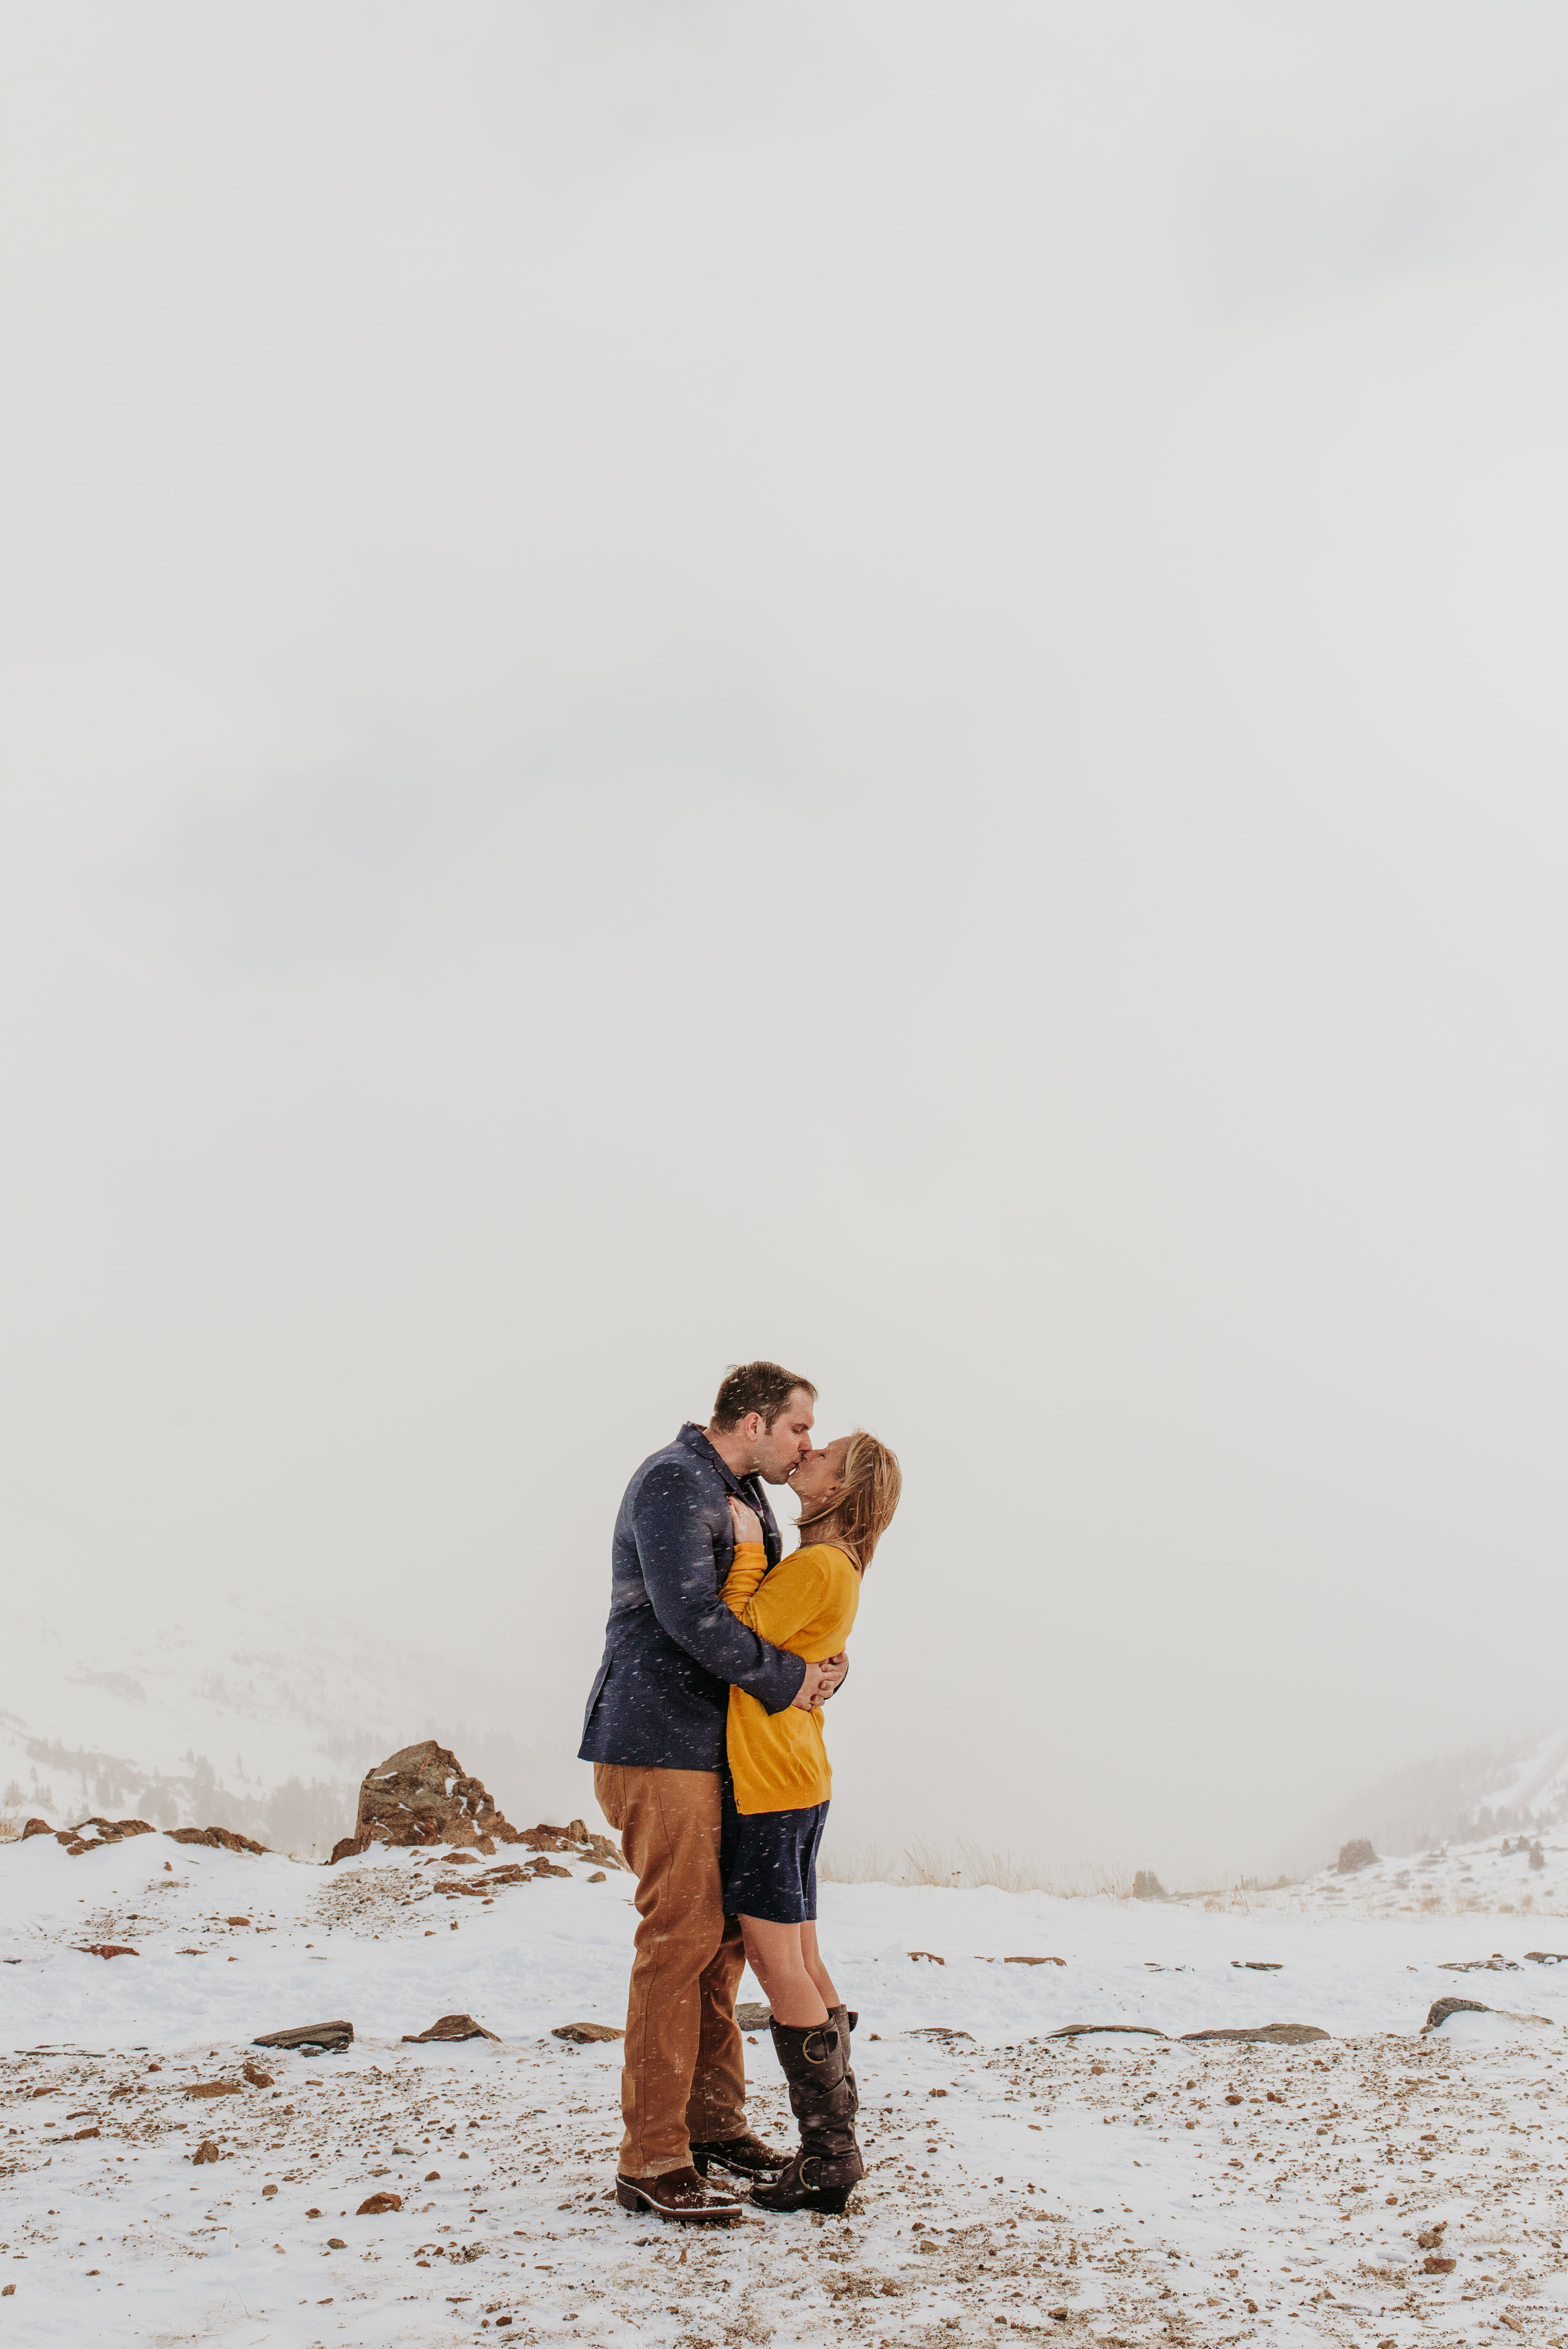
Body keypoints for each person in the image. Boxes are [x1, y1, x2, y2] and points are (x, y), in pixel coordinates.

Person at [580, 1362, 849, 2224]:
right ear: (756, 1419)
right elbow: (689, 1616)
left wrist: (822, 1669)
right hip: (659, 1743)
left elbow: (766, 1611)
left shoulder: (739, 1489)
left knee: (722, 1939)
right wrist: (791, 1678)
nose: (807, 1444)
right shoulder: (672, 1480)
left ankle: (713, 2127)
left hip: (716, 1745)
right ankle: (652, 2159)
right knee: (680, 1933)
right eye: (800, 1428)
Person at [720, 1428, 902, 2212]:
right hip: (796, 1774)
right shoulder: (838, 1566)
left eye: (823, 1453)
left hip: (770, 1780)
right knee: (802, 1953)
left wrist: (744, 1550)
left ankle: (831, 2153)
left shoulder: (818, 1564)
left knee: (774, 1959)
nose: (809, 1452)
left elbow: (735, 1632)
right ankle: (835, 2145)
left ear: (838, 1488)